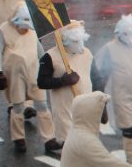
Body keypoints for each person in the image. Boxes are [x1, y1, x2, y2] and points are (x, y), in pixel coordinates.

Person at [0, 4, 57, 153]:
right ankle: (18, 138)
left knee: (42, 105)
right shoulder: (4, 29)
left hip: (35, 73)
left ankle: (49, 139)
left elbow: (40, 51)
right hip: (15, 75)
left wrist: (48, 66)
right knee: (18, 106)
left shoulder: (32, 31)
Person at [93, 15, 132, 167]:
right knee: (130, 128)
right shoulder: (110, 49)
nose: (130, 37)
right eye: (125, 33)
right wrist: (101, 99)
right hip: (123, 96)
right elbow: (100, 74)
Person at [37, 21, 91, 153]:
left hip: (85, 106)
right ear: (65, 40)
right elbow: (42, 82)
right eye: (75, 41)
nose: (81, 46)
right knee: (71, 148)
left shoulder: (87, 53)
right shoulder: (50, 57)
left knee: (86, 144)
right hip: (65, 109)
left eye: (81, 41)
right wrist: (62, 81)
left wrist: (102, 106)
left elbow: (95, 77)